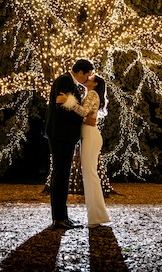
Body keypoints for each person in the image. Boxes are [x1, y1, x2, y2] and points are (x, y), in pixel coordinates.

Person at [44, 58, 94, 230]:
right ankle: (58, 218)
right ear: (80, 72)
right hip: (60, 134)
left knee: (63, 174)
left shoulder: (70, 84)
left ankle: (63, 216)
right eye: (87, 75)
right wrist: (82, 116)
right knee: (60, 174)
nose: (88, 79)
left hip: (64, 135)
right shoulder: (64, 81)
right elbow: (62, 107)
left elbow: (68, 103)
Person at [57, 74, 111, 228]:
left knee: (90, 176)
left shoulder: (92, 94)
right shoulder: (90, 94)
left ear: (95, 84)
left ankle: (95, 218)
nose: (87, 79)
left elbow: (84, 112)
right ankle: (97, 216)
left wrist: (68, 101)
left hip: (90, 135)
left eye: (90, 78)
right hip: (89, 135)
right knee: (90, 176)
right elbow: (86, 115)